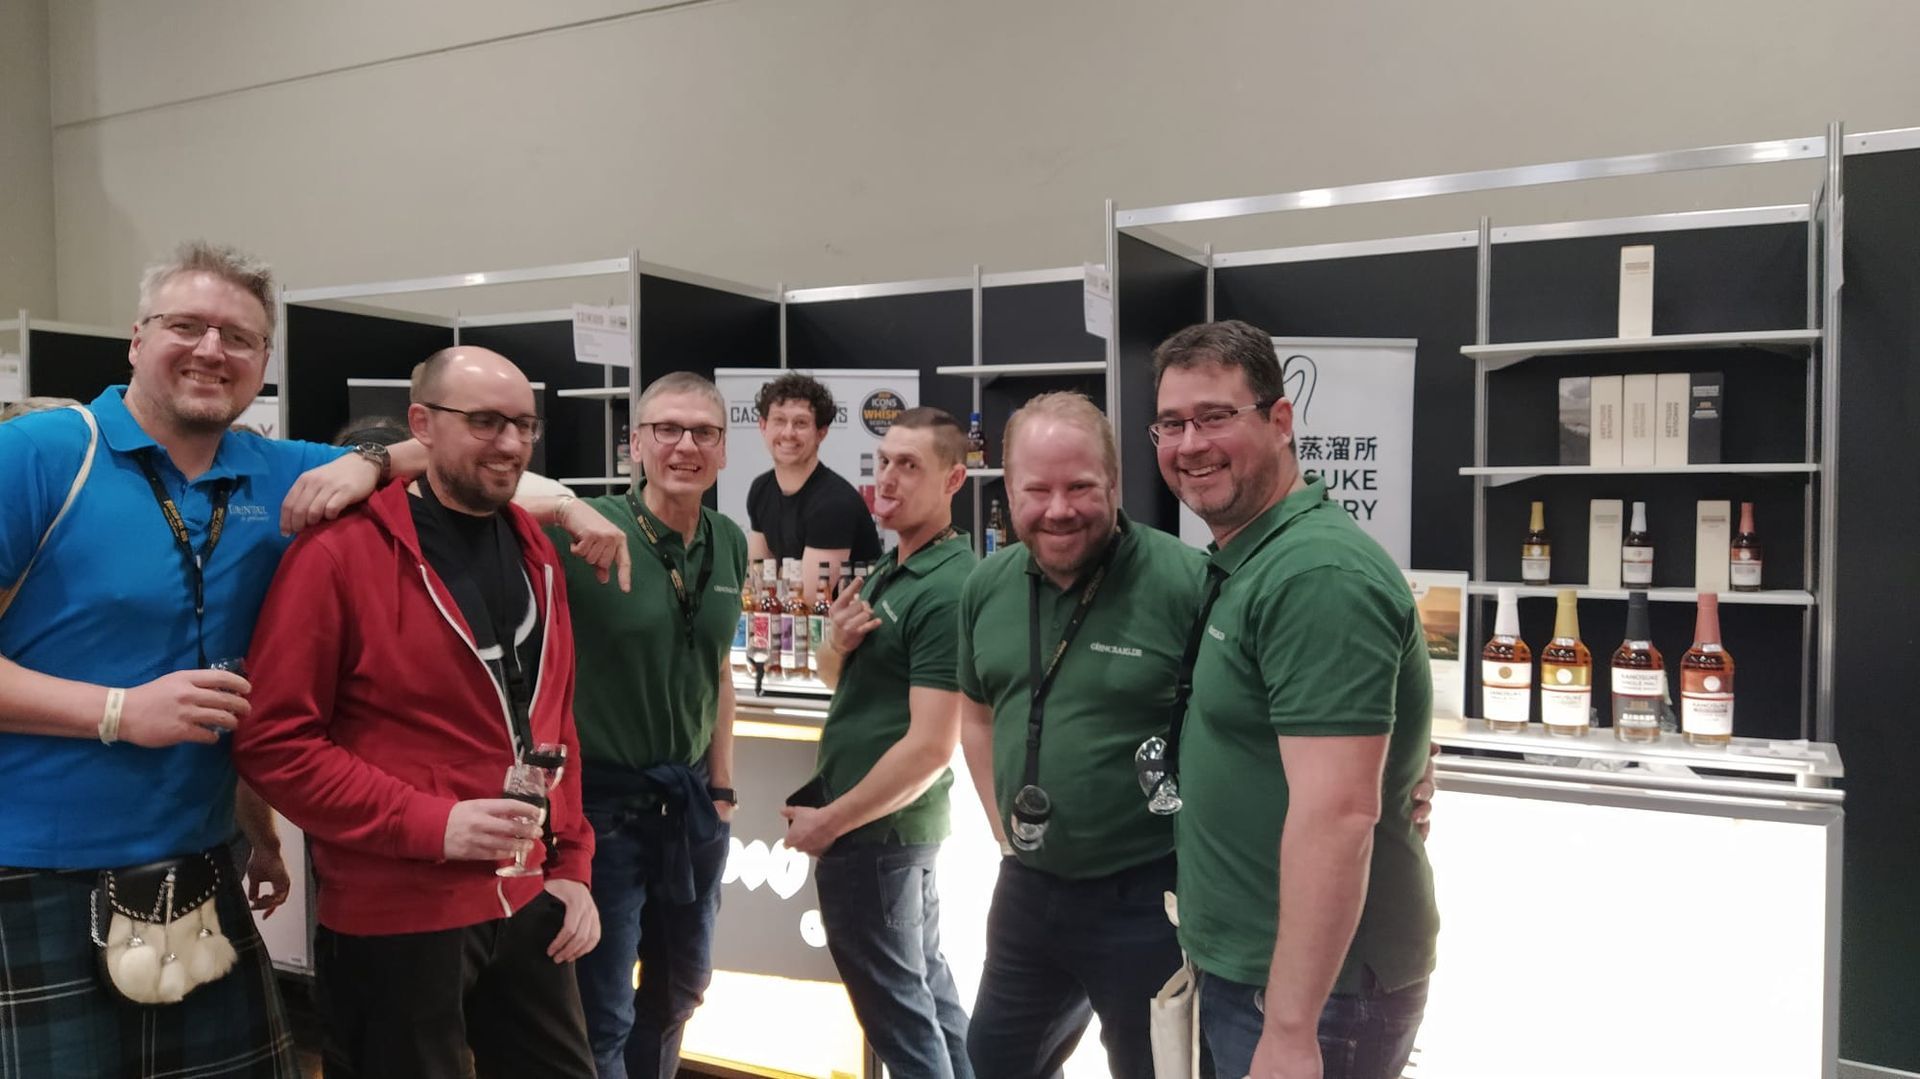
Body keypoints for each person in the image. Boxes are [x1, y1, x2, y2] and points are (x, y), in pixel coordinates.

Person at [0, 240, 441, 1077]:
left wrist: (374, 459)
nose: (211, 349)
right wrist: (121, 711)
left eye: (238, 337)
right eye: (186, 326)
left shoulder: (277, 474)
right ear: (137, 339)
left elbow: (466, 463)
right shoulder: (40, 454)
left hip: (199, 866)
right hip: (30, 874)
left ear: (263, 362)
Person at [233, 347, 601, 1079]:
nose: (510, 443)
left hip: (527, 898)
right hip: (395, 913)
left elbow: (553, 722)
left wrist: (571, 863)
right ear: (422, 426)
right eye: (485, 421)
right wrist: (432, 824)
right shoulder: (337, 552)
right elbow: (274, 740)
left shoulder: (536, 551)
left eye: (524, 424)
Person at [1151, 320, 1438, 1079]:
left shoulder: (1315, 576)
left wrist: (1289, 1028)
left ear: (1280, 421)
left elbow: (1339, 815)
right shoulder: (1253, 558)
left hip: (1312, 997)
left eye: (1216, 416)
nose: (1190, 444)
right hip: (1257, 973)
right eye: (1172, 423)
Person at [955, 391, 1204, 1077]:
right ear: (1009, 491)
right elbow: (976, 714)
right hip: (1027, 892)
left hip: (1151, 895)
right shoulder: (985, 587)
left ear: (1115, 483)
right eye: (1037, 490)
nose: (1058, 509)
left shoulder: (1188, 583)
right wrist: (1005, 833)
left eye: (1081, 487)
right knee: (992, 1064)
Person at [536, 371, 747, 1079]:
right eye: (667, 429)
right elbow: (475, 491)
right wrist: (565, 506)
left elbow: (718, 669)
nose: (686, 446)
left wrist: (722, 788)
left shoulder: (729, 540)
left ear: (723, 449)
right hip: (602, 809)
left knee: (681, 989)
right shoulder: (587, 529)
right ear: (635, 443)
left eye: (704, 432)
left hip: (689, 807)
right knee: (602, 1012)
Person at [781, 407, 977, 1078]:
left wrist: (831, 822)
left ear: (953, 480)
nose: (887, 479)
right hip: (882, 836)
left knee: (901, 1019)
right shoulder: (896, 568)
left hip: (878, 836)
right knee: (925, 999)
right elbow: (835, 677)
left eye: (909, 465)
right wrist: (837, 640)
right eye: (883, 461)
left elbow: (931, 747)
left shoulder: (946, 587)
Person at [746, 371, 881, 599]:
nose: (788, 433)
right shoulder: (760, 489)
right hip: (792, 616)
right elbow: (759, 584)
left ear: (821, 433)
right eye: (779, 420)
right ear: (763, 426)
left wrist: (770, 593)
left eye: (800, 423)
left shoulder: (835, 503)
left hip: (844, 618)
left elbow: (808, 599)